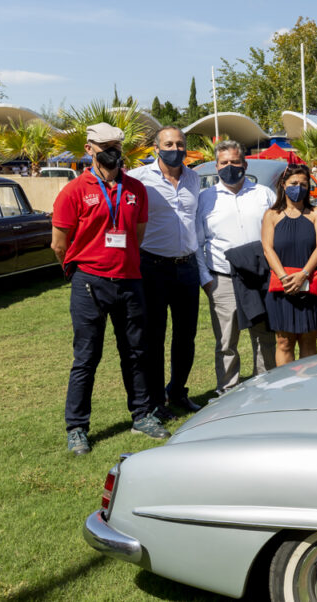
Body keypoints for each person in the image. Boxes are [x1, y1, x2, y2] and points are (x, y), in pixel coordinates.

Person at [50, 123, 170, 455]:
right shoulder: (74, 191)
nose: (112, 150)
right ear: (89, 149)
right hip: (90, 282)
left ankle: (142, 415)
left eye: (116, 144)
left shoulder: (135, 188)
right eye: (105, 145)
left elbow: (138, 234)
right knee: (86, 358)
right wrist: (82, 268)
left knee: (136, 353)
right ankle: (77, 427)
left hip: (130, 280)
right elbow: (59, 245)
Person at [129, 126, 201, 417]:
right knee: (154, 338)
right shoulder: (138, 180)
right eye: (169, 144)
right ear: (156, 148)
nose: (175, 148)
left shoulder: (194, 178)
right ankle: (156, 401)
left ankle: (178, 392)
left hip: (187, 267)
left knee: (186, 337)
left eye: (180, 143)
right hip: (152, 267)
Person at [195, 141, 277, 394]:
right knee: (226, 339)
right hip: (223, 278)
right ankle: (227, 390)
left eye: (234, 162)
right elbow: (197, 243)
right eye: (224, 163)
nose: (229, 167)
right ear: (216, 166)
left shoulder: (264, 194)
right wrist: (205, 279)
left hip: (260, 277)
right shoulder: (205, 199)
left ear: (244, 164)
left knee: (264, 334)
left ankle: (265, 385)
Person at [262, 165, 317, 364]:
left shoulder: (316, 213)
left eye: (303, 184)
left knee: (308, 341)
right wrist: (284, 277)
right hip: (281, 285)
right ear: (283, 185)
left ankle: (307, 390)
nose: (298, 188)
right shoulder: (272, 215)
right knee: (283, 342)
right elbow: (268, 248)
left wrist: (304, 274)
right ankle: (285, 389)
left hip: (310, 284)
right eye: (293, 184)